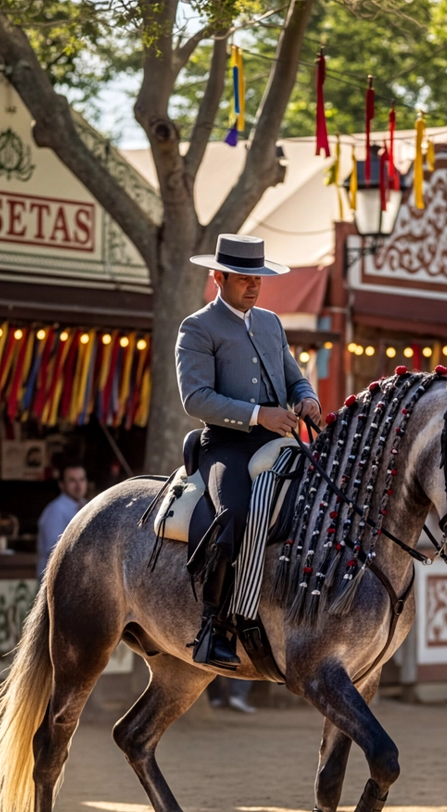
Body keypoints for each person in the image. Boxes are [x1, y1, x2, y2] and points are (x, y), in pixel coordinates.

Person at [176, 234, 321, 668]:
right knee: (234, 517)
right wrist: (259, 415)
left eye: (257, 277)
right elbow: (195, 399)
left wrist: (307, 397)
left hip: (280, 439)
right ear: (217, 277)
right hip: (226, 445)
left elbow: (294, 378)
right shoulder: (197, 327)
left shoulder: (272, 323)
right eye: (243, 278)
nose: (253, 285)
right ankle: (212, 628)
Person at [37, 463, 88, 578]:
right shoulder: (56, 510)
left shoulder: (89, 506)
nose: (78, 485)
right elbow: (54, 551)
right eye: (72, 481)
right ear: (61, 485)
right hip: (57, 581)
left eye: (82, 479)